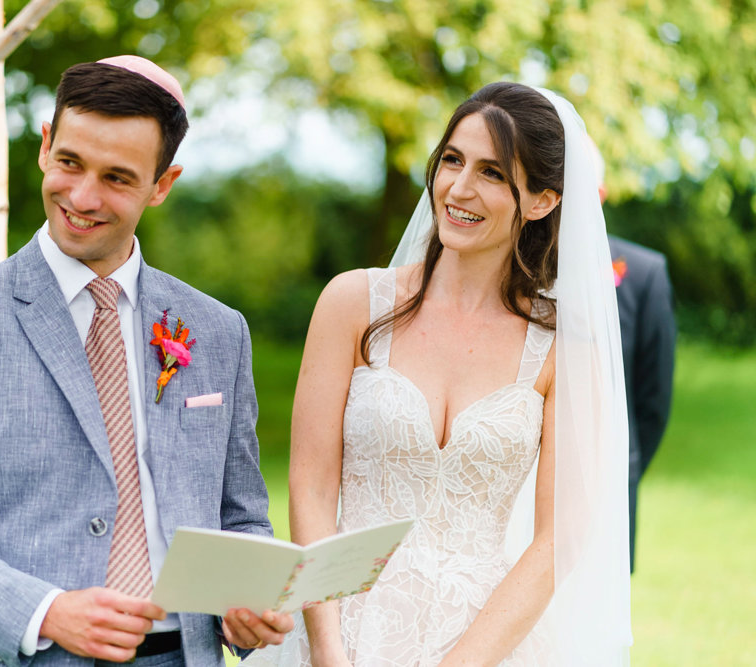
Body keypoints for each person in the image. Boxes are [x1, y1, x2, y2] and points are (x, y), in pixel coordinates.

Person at [0, 56, 292, 667]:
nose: (82, 197)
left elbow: (241, 520)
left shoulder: (220, 332)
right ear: (45, 146)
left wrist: (245, 601)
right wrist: (46, 611)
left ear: (162, 184)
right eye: (70, 163)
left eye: (117, 178)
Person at [245, 83, 631, 666]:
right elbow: (313, 486)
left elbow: (559, 540)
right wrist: (326, 648)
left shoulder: (562, 350)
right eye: (452, 160)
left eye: (493, 173)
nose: (459, 188)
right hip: (338, 623)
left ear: (543, 201)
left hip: (483, 640)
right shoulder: (352, 303)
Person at [591, 142, 677, 572]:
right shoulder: (505, 266)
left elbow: (653, 401)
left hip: (607, 484)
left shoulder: (643, 273)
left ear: (600, 193)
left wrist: (619, 469)